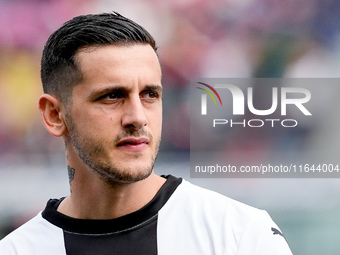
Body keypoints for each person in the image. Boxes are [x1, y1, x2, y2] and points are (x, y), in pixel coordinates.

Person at [0, 12, 292, 255]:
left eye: (150, 94)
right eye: (112, 96)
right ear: (54, 115)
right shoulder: (18, 250)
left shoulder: (238, 235)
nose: (138, 117)